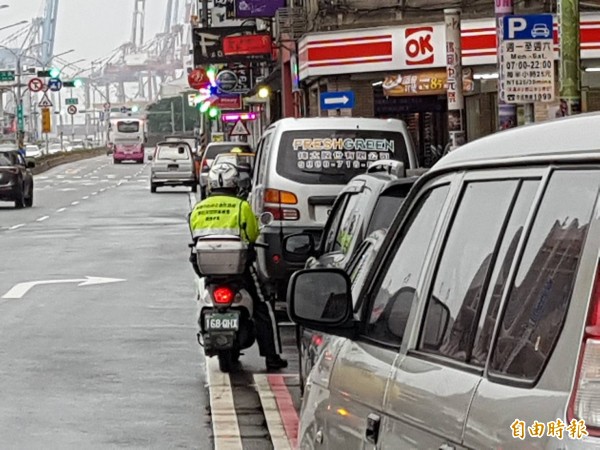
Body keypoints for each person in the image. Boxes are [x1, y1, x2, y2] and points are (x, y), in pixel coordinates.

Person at [189, 161, 288, 371]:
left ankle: (206, 329)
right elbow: (252, 235)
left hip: (210, 271)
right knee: (263, 306)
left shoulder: (199, 208)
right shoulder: (241, 206)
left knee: (202, 295)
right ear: (235, 183)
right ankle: (272, 357)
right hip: (239, 271)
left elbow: (194, 236)